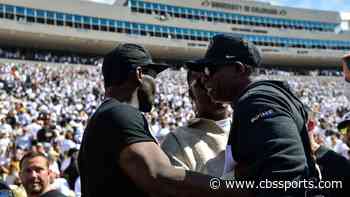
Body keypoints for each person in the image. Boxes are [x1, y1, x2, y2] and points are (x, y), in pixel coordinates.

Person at [78, 43, 252, 197]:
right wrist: (235, 187)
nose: (156, 85)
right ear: (139, 74)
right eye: (154, 76)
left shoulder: (108, 113)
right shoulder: (120, 113)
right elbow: (160, 176)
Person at [186, 33, 320, 196]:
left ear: (238, 68)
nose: (205, 79)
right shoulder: (262, 97)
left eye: (210, 70)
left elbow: (285, 176)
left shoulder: (256, 101)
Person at [161, 70, 231, 177]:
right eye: (203, 83)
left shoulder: (248, 128)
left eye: (219, 80)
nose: (212, 87)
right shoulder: (177, 140)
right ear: (191, 94)